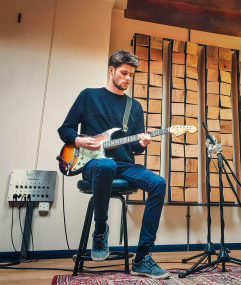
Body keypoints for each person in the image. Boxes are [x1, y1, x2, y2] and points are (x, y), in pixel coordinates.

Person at [58, 50, 170, 279]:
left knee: (158, 183)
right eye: (124, 73)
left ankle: (143, 258)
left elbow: (136, 148)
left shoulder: (134, 107)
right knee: (106, 166)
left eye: (131, 75)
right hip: (93, 164)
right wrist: (78, 139)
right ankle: (100, 230)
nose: (128, 78)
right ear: (111, 70)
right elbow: (65, 130)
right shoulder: (88, 96)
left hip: (125, 164)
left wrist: (144, 142)